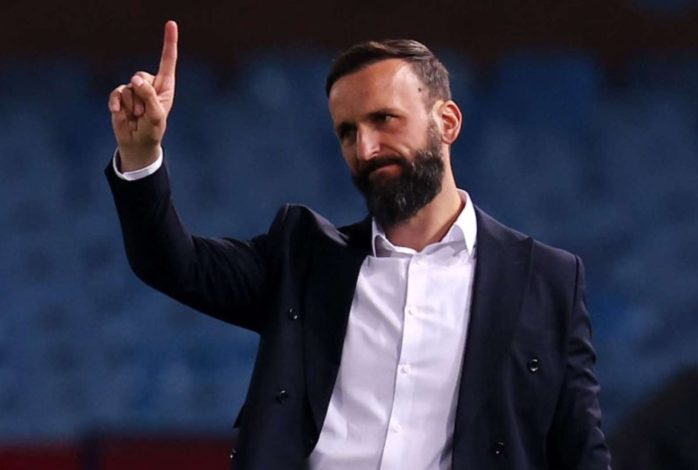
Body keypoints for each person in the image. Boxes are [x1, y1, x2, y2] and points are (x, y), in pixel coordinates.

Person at [106, 20, 611, 470]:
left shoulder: (547, 280)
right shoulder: (303, 259)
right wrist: (140, 156)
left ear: (448, 123)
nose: (365, 149)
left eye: (384, 120)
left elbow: (580, 450)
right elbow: (175, 264)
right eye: (347, 132)